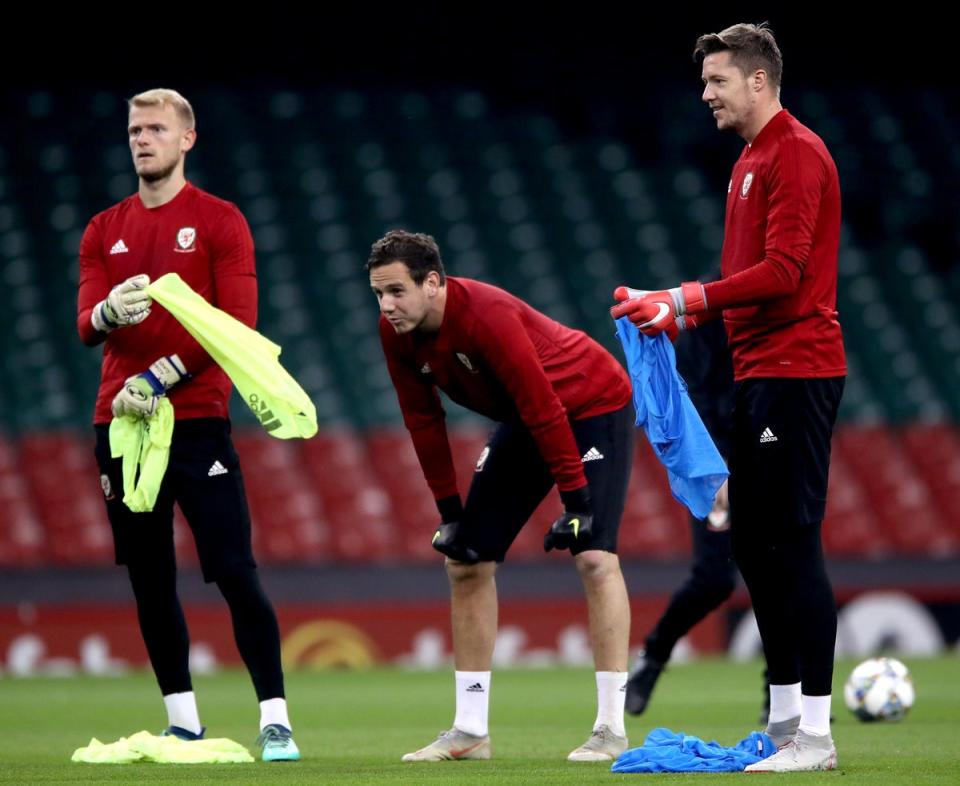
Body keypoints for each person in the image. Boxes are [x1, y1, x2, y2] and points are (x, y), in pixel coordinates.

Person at [611, 23, 846, 772]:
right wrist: (674, 309)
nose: (705, 94)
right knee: (750, 543)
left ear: (758, 81)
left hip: (797, 368)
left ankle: (816, 735)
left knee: (791, 544)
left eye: (717, 81)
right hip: (757, 371)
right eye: (705, 81)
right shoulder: (750, 160)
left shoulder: (797, 154)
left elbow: (783, 273)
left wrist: (682, 300)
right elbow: (748, 284)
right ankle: (781, 726)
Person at [76, 88, 299, 762]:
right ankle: (183, 723)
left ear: (187, 139)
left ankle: (276, 719)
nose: (141, 139)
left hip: (197, 421)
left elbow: (238, 327)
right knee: (150, 578)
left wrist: (159, 377)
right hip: (121, 426)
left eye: (155, 129)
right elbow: (85, 326)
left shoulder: (219, 220)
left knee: (233, 568)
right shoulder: (100, 229)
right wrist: (111, 312)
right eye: (134, 129)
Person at [368, 229, 635, 762]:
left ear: (434, 283)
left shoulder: (485, 315)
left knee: (595, 558)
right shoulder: (395, 332)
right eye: (378, 293)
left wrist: (577, 504)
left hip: (590, 403)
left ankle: (610, 728)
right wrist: (450, 513)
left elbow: (544, 408)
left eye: (397, 291)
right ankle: (470, 731)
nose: (387, 305)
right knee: (466, 561)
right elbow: (422, 421)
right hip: (528, 416)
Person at [624, 288, 741, 715]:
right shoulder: (712, 307)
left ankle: (780, 698)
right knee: (715, 580)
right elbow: (687, 396)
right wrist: (715, 468)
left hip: (768, 450)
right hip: (715, 459)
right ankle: (653, 658)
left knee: (783, 569)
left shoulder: (776, 298)